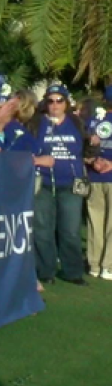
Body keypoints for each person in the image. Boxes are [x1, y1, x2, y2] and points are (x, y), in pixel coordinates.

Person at [29, 84, 97, 286]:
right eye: (51, 100)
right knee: (42, 229)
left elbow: (86, 152)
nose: (55, 104)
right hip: (43, 183)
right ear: (45, 103)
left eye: (60, 100)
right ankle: (46, 271)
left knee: (70, 231)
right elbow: (25, 150)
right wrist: (39, 159)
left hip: (70, 184)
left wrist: (94, 146)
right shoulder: (36, 123)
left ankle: (73, 271)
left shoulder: (76, 122)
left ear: (66, 103)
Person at [83, 97, 112, 279]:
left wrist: (92, 161)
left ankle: (94, 264)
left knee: (95, 222)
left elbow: (78, 149)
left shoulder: (92, 121)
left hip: (94, 175)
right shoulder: (92, 121)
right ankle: (107, 265)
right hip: (105, 175)